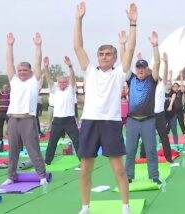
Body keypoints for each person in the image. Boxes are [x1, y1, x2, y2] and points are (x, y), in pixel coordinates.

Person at [74, 2, 136, 213]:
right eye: (101, 54)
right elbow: (78, 47)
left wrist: (133, 24)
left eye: (108, 54)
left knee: (118, 170)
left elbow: (131, 50)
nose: (104, 57)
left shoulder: (120, 73)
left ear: (115, 57)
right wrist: (79, 20)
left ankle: (125, 206)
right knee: (85, 170)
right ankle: (85, 207)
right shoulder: (90, 71)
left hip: (111, 123)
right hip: (90, 121)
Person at [1, 32, 48, 187]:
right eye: (19, 70)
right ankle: (11, 176)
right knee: (12, 149)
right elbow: (9, 62)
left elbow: (37, 61)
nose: (21, 72)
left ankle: (41, 175)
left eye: (24, 70)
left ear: (30, 72)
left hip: (28, 119)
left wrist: (38, 46)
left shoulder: (34, 81)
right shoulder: (13, 80)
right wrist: (9, 45)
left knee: (33, 149)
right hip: (13, 119)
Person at [125, 36, 162, 186]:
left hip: (148, 120)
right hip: (132, 121)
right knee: (130, 151)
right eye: (138, 68)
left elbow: (158, 63)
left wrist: (155, 46)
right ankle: (129, 176)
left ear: (147, 69)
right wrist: (123, 45)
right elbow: (125, 63)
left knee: (151, 150)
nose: (140, 70)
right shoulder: (131, 79)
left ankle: (154, 176)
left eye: (143, 68)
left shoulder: (151, 80)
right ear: (136, 69)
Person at [43, 56, 80, 165]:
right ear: (58, 83)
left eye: (64, 82)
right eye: (60, 82)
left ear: (67, 83)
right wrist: (46, 67)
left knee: (77, 141)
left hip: (69, 120)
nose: (62, 84)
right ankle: (47, 162)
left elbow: (73, 78)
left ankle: (83, 161)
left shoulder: (71, 89)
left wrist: (70, 66)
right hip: (57, 121)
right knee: (52, 142)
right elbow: (49, 79)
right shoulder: (55, 89)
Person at [139, 53, 173, 163]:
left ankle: (168, 158)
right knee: (146, 137)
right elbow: (146, 71)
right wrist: (140, 59)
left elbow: (164, 73)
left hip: (160, 115)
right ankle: (143, 157)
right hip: (149, 115)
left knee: (164, 137)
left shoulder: (161, 85)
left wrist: (166, 63)